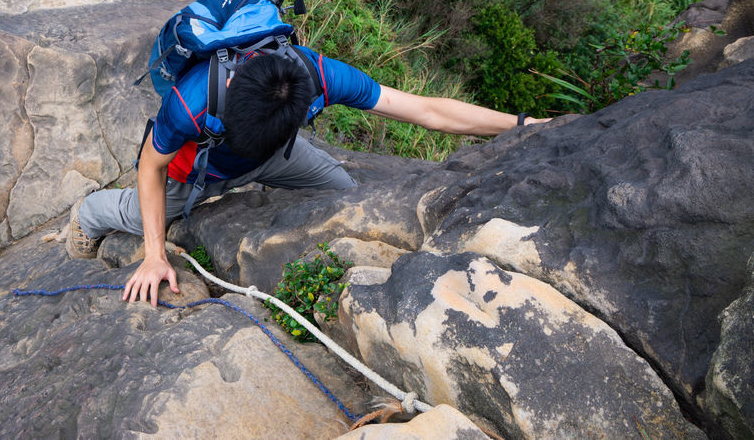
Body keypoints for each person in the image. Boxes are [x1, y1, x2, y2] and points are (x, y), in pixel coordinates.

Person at [68, 47, 548, 306]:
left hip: (273, 156)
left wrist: (521, 125)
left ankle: (265, 160)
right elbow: (149, 165)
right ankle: (88, 212)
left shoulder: (316, 74)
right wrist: (154, 255)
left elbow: (425, 110)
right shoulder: (192, 102)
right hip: (190, 173)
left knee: (345, 196)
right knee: (142, 214)